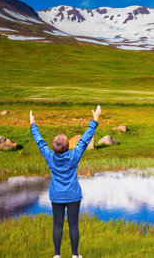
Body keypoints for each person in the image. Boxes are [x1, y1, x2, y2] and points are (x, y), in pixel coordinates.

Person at [30, 105, 101, 258]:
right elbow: (85, 139)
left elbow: (39, 141)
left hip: (56, 195)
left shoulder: (49, 156)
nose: (60, 136)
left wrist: (32, 124)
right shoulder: (74, 155)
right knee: (73, 225)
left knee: (57, 224)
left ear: (55, 147)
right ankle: (75, 255)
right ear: (68, 146)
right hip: (73, 195)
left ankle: (57, 255)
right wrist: (95, 119)